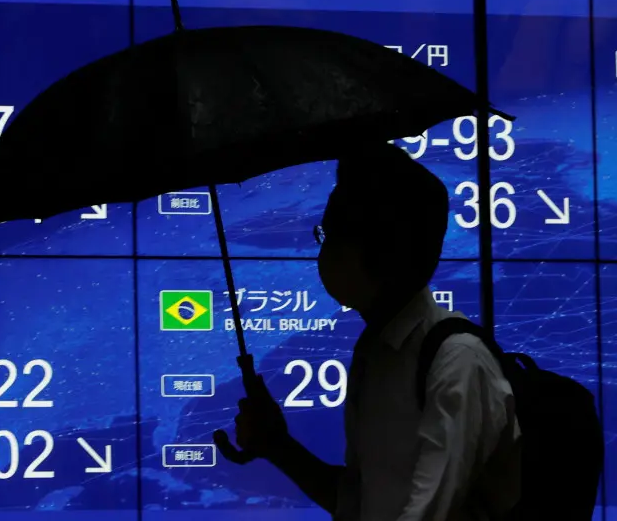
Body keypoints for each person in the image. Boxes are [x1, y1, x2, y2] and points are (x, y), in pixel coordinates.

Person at [215, 142, 521, 520]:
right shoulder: (375, 349)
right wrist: (278, 446)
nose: (322, 256)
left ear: (381, 253)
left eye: (329, 238)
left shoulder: (456, 361)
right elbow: (360, 503)